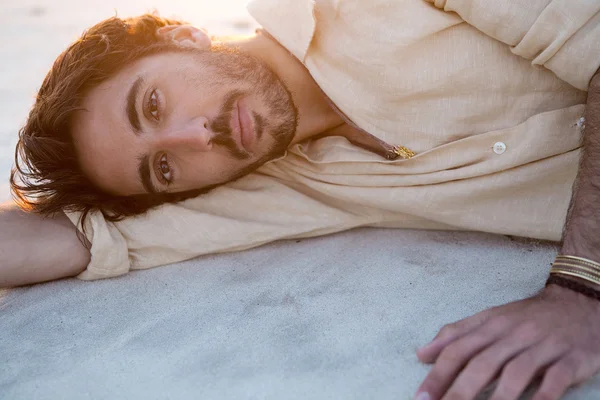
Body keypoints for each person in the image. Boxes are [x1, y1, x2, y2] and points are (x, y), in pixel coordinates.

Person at [2, 0, 600, 398]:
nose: (193, 138)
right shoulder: (282, 187)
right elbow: (77, 237)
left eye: (153, 104)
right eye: (163, 168)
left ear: (181, 35)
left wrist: (581, 291)